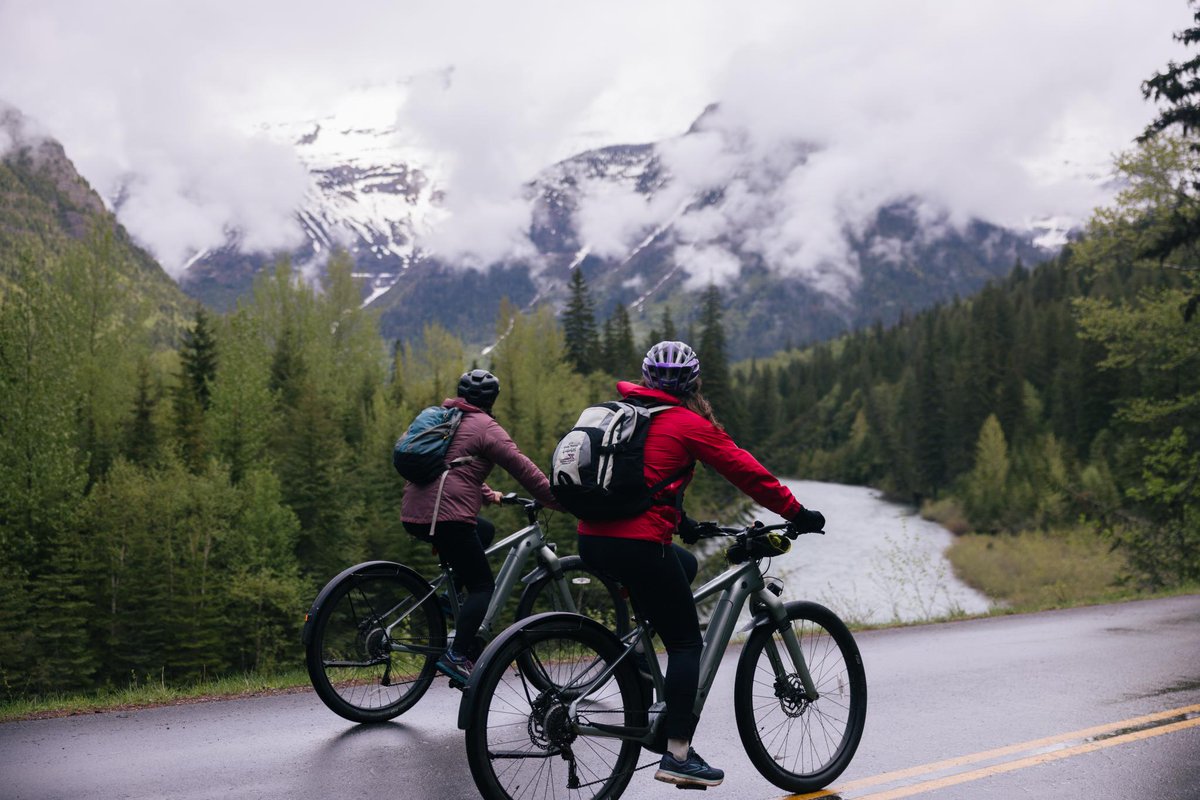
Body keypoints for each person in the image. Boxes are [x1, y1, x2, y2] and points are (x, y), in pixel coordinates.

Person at [577, 341, 825, 789]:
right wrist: (797, 514)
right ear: (695, 383)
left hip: (592, 539)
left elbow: (634, 480)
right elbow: (747, 472)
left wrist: (682, 521)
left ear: (646, 378)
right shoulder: (687, 423)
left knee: (684, 563)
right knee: (687, 643)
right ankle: (677, 755)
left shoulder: (622, 415)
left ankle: (636, 655)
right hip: (638, 545)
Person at [401, 369, 561, 682]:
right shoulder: (486, 427)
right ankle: (458, 655)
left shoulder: (447, 418)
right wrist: (559, 500)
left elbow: (450, 466)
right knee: (483, 586)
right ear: (492, 400)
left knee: (484, 530)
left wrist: (489, 494)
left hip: (416, 510)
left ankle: (449, 600)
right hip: (446, 517)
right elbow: (523, 469)